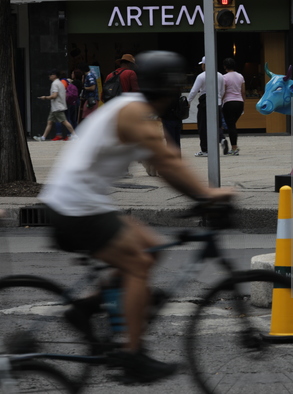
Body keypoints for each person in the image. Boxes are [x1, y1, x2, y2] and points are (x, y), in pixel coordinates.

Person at [38, 51, 234, 382]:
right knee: (138, 263)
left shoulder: (133, 110)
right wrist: (209, 195)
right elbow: (167, 164)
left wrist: (200, 193)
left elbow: (164, 159)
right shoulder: (135, 115)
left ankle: (85, 308)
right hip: (76, 206)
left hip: (81, 200)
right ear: (171, 87)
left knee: (150, 246)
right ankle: (132, 356)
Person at [188, 56, 226, 157]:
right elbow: (222, 91)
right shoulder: (220, 76)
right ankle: (222, 138)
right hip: (217, 103)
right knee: (217, 125)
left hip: (205, 104)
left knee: (203, 126)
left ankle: (205, 150)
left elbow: (194, 91)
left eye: (202, 65)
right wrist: (219, 100)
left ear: (205, 65)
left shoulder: (201, 76)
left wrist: (188, 101)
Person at [33, 69, 78, 142]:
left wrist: (45, 97)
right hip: (56, 107)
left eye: (50, 75)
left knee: (64, 121)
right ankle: (43, 137)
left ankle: (75, 135)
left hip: (57, 107)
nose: (49, 76)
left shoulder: (55, 84)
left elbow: (54, 95)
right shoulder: (60, 83)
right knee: (50, 122)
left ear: (54, 75)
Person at [221, 58, 245, 155]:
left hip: (229, 102)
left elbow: (223, 91)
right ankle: (233, 146)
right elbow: (243, 92)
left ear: (225, 66)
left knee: (231, 126)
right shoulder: (240, 76)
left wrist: (220, 101)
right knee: (232, 125)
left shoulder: (224, 77)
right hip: (239, 102)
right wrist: (244, 104)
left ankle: (234, 147)